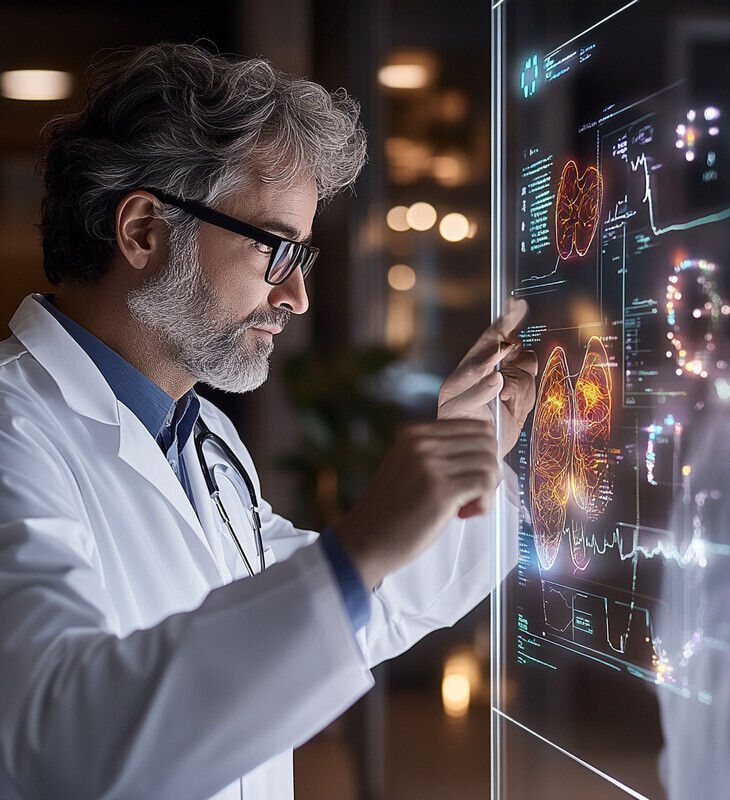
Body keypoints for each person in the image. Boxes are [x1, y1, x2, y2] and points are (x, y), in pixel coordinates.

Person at [0, 43, 536, 800]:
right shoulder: (14, 434)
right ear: (145, 230)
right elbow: (64, 741)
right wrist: (359, 546)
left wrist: (470, 459)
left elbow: (344, 611)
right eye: (277, 249)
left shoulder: (201, 438)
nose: (296, 299)